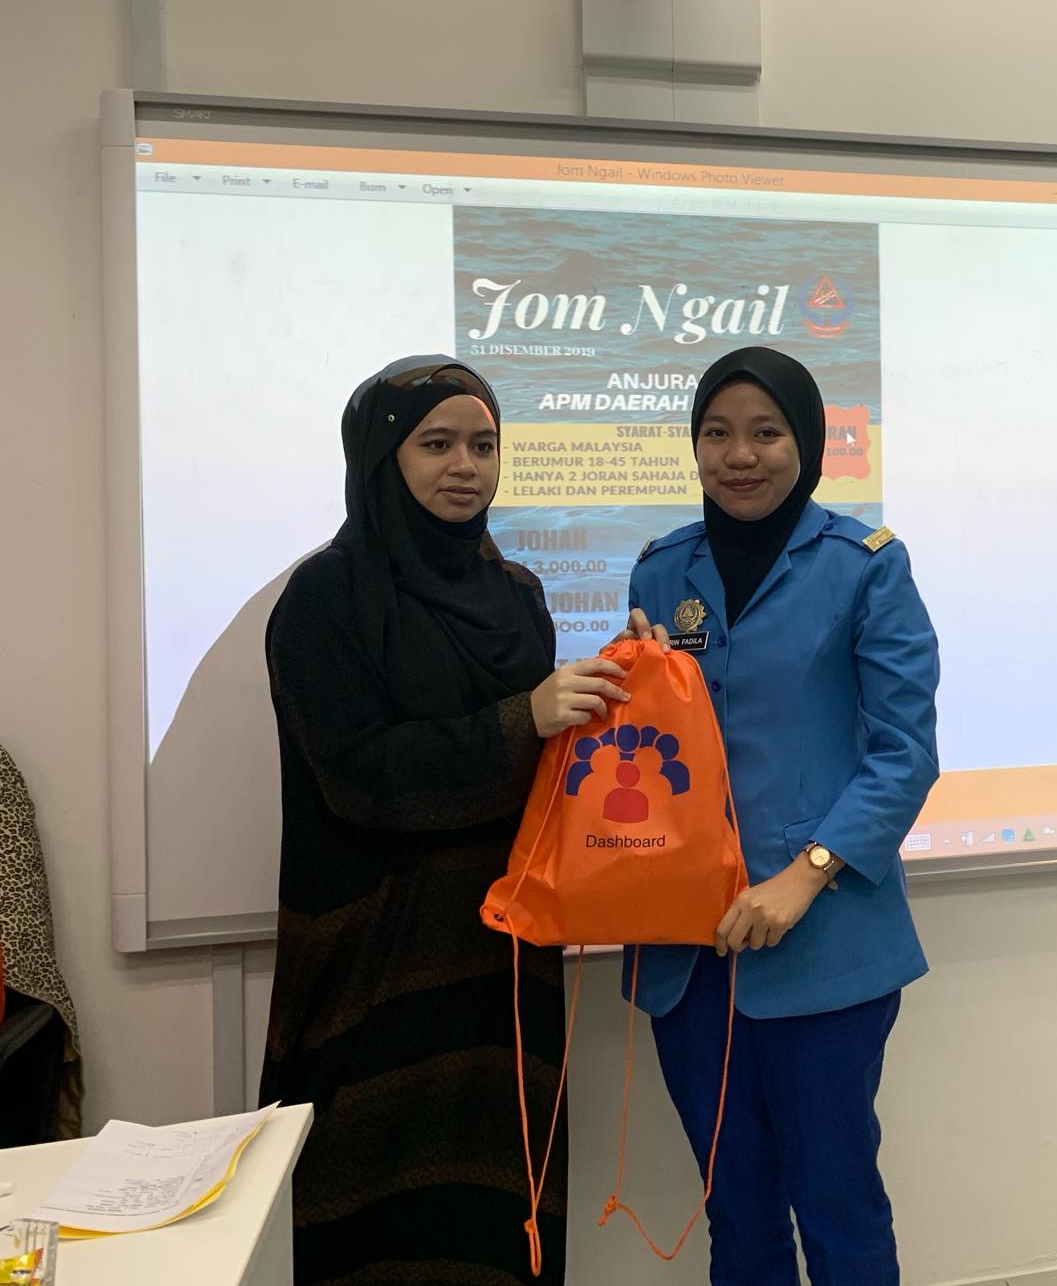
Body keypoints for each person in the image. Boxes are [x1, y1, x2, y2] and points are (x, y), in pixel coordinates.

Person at [260, 356, 632, 1286]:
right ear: (382, 456)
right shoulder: (325, 598)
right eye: (435, 444)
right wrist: (522, 719)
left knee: (498, 1216)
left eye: (483, 445)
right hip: (377, 960)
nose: (465, 466)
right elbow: (355, 776)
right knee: (373, 1223)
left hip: (501, 953)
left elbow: (543, 764)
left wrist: (628, 686)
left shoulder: (519, 597)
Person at [623, 345, 940, 1286]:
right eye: (717, 433)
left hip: (824, 945)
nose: (740, 455)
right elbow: (646, 749)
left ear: (805, 442)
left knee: (839, 1207)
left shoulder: (865, 567)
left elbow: (905, 752)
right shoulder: (659, 572)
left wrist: (806, 876)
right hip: (687, 956)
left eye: (766, 432)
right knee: (738, 1214)